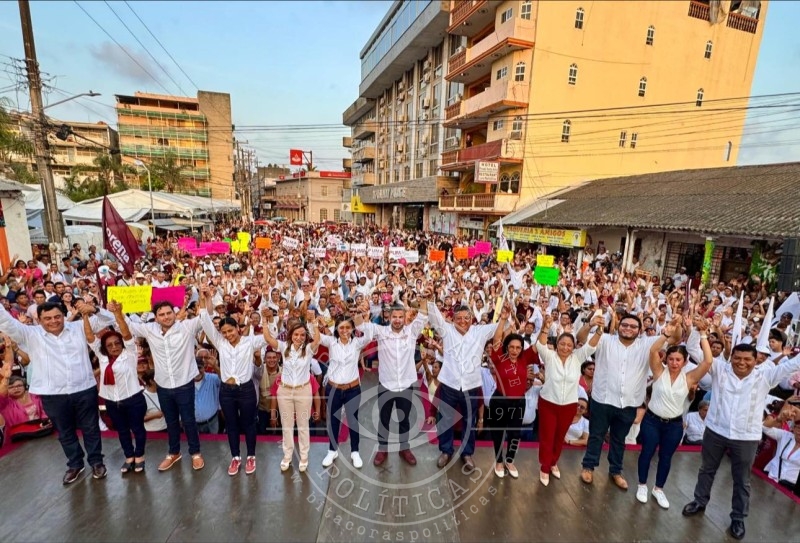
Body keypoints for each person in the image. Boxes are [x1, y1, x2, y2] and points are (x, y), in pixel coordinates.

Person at [682, 344, 800, 540]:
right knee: (707, 470)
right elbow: (694, 349)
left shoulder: (765, 376)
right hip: (716, 431)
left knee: (742, 480)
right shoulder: (720, 369)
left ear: (755, 361)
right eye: (737, 358)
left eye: (747, 359)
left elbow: (793, 364)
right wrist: (700, 333)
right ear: (731, 358)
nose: (741, 362)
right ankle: (699, 501)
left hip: (746, 438)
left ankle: (738, 517)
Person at [0, 301, 114, 484]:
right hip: (52, 394)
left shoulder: (78, 327)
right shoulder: (30, 334)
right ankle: (75, 464)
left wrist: (95, 309)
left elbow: (110, 319)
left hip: (83, 388)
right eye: (47, 318)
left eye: (57, 317)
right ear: (39, 319)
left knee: (91, 428)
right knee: (64, 431)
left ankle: (96, 462)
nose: (53, 321)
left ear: (64, 315)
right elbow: (5, 322)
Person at [579, 313, 680, 489]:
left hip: (629, 403)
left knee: (619, 439)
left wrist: (675, 326)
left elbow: (675, 339)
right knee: (596, 435)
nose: (628, 328)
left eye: (633, 326)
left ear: (639, 330)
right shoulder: (605, 339)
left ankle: (615, 471)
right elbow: (581, 338)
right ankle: (588, 467)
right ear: (619, 326)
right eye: (624, 325)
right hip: (602, 399)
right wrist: (590, 324)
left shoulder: (647, 343)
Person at [636, 318, 712, 509]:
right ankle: (642, 485)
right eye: (671, 359)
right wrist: (666, 334)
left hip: (674, 425)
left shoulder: (689, 378)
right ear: (666, 359)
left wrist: (703, 334)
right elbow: (653, 351)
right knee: (647, 452)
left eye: (678, 360)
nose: (674, 363)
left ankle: (658, 489)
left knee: (666, 457)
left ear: (685, 362)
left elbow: (708, 361)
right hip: (652, 421)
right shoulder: (658, 371)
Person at [123, 300, 206, 472]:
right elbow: (128, 326)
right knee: (171, 420)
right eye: (161, 314)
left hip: (184, 384)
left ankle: (195, 453)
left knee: (189, 420)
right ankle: (174, 452)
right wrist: (118, 312)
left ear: (175, 314)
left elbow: (206, 317)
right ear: (156, 317)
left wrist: (205, 298)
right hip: (163, 385)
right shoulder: (150, 329)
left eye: (169, 313)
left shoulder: (187, 327)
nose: (166, 317)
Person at [198, 287, 266, 476]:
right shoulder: (220, 343)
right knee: (231, 425)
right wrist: (205, 300)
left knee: (249, 424)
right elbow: (205, 321)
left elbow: (269, 338)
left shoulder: (250, 342)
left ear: (238, 328)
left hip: (246, 390)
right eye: (224, 332)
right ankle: (235, 457)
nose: (228, 334)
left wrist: (266, 319)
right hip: (226, 391)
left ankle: (251, 456)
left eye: (230, 330)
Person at [427, 301, 498, 473]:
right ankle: (446, 451)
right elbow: (435, 318)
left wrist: (503, 318)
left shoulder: (479, 331)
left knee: (469, 421)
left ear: (472, 318)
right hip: (449, 384)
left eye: (466, 318)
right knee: (446, 420)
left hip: (470, 386)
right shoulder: (447, 330)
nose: (463, 321)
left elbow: (498, 330)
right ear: (453, 319)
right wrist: (429, 300)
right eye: (458, 318)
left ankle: (467, 453)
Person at [356, 299, 428, 467]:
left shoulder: (412, 331)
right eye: (394, 316)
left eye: (400, 317)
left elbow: (423, 315)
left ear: (405, 317)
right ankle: (383, 449)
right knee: (384, 419)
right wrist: (359, 311)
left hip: (406, 384)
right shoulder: (381, 331)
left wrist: (425, 299)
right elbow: (360, 325)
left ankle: (404, 448)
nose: (397, 320)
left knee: (404, 420)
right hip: (386, 384)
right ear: (389, 317)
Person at [535, 314, 603, 486]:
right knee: (547, 436)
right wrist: (546, 327)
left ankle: (553, 462)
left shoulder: (577, 358)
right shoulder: (550, 356)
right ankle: (544, 466)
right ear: (557, 344)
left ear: (573, 347)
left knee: (560, 436)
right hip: (548, 404)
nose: (565, 347)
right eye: (562, 344)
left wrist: (599, 331)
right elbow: (540, 344)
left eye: (569, 345)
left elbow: (591, 345)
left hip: (568, 406)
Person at [84, 301, 147, 474]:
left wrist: (118, 314)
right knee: (122, 431)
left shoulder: (130, 353)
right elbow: (90, 337)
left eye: (117, 343)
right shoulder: (102, 357)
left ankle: (139, 455)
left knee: (137, 429)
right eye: (109, 345)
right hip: (112, 402)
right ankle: (129, 457)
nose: (114, 347)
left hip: (133, 400)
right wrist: (84, 316)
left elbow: (126, 333)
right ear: (104, 347)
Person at [486, 303, 540, 479]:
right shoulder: (499, 358)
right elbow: (496, 339)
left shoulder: (525, 358)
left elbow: (538, 345)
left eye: (518, 347)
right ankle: (499, 461)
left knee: (515, 434)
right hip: (500, 401)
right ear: (507, 347)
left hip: (519, 401)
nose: (515, 350)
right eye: (511, 347)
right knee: (498, 433)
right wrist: (503, 319)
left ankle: (509, 460)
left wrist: (546, 327)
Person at [263, 316, 322, 472]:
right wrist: (264, 320)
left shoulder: (308, 349)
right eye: (296, 334)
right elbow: (268, 338)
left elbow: (317, 339)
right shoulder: (284, 347)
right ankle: (287, 456)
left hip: (303, 391)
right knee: (287, 425)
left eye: (302, 335)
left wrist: (314, 323)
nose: (299, 337)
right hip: (285, 391)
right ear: (290, 335)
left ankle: (304, 456)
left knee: (303, 425)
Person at [319, 314, 375, 469]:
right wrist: (312, 322)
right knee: (333, 420)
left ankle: (355, 451)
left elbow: (369, 336)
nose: (344, 330)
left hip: (352, 389)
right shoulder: (331, 342)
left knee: (353, 420)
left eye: (348, 327)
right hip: (333, 389)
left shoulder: (357, 343)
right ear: (337, 328)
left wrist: (363, 321)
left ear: (352, 329)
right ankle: (332, 450)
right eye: (341, 327)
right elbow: (315, 336)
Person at [761, 418, 800, 492]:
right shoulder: (784, 435)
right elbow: (764, 427)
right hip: (771, 477)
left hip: (789, 488)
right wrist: (778, 419)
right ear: (794, 428)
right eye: (799, 428)